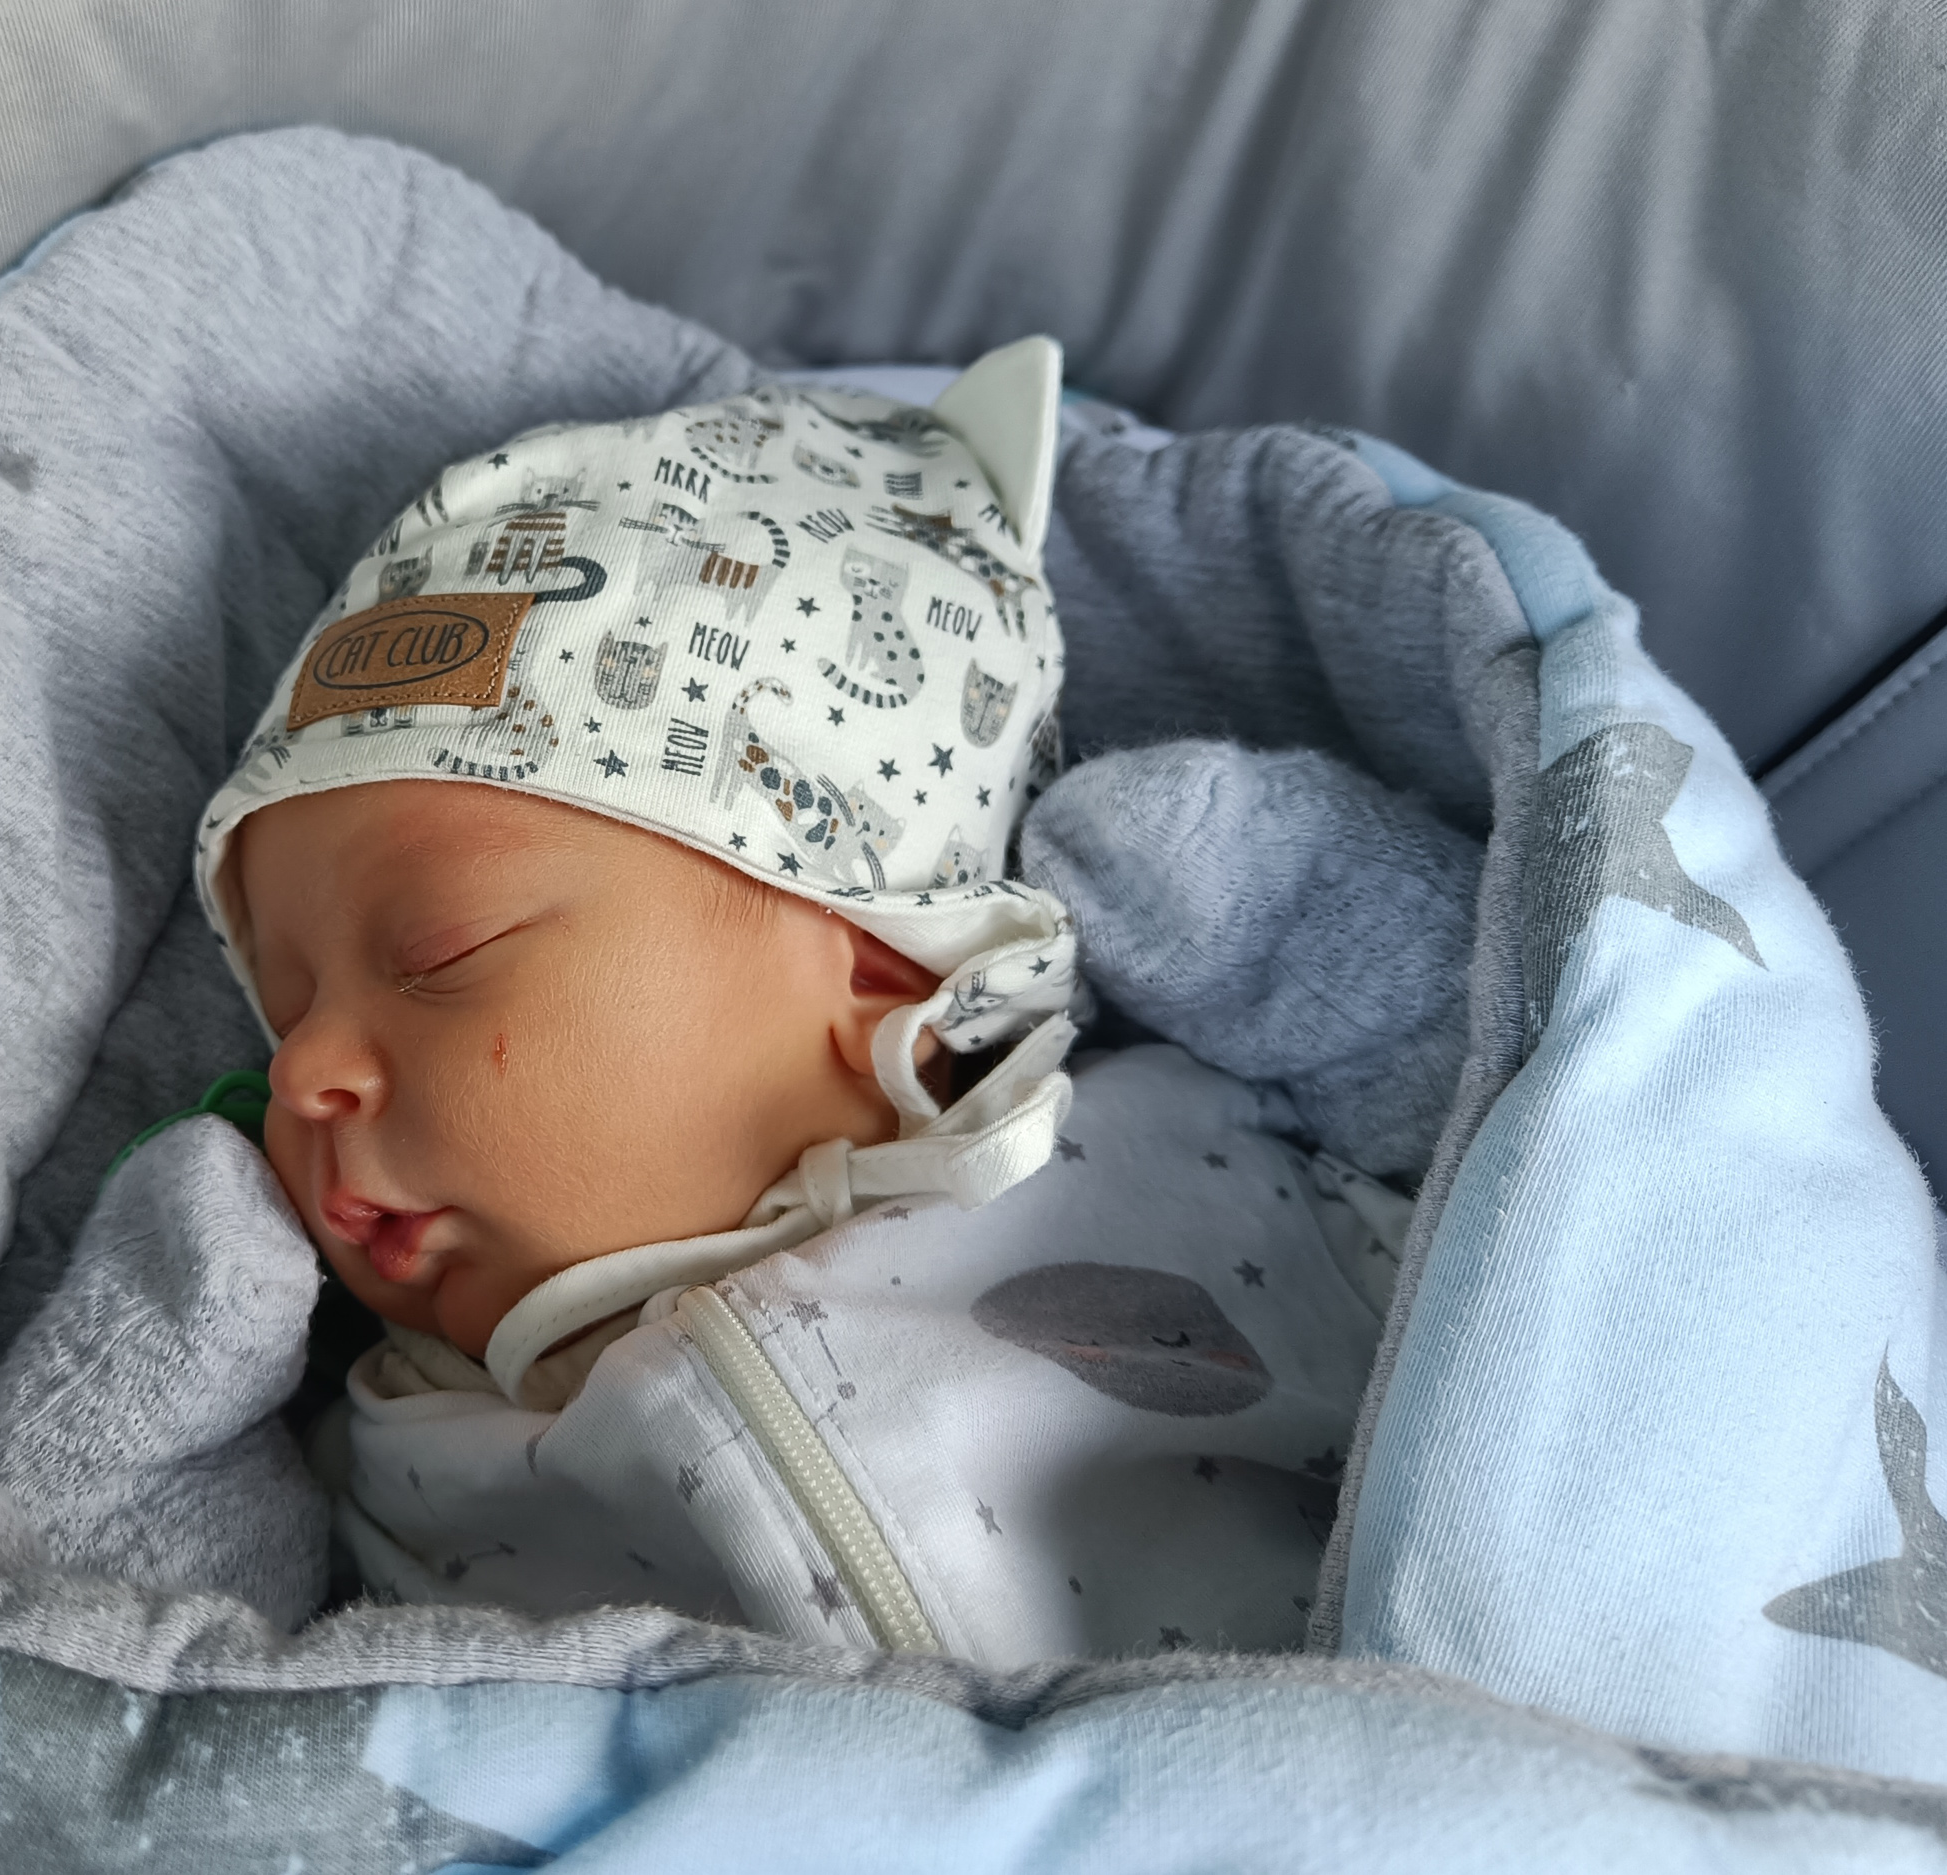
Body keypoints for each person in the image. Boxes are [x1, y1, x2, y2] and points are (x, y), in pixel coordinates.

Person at [191, 340, 1411, 1664]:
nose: (302, 1068)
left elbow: (1541, 1309)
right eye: (284, 1004)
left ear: (875, 959)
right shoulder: (391, 1468)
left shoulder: (1184, 1164)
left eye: (442, 951)